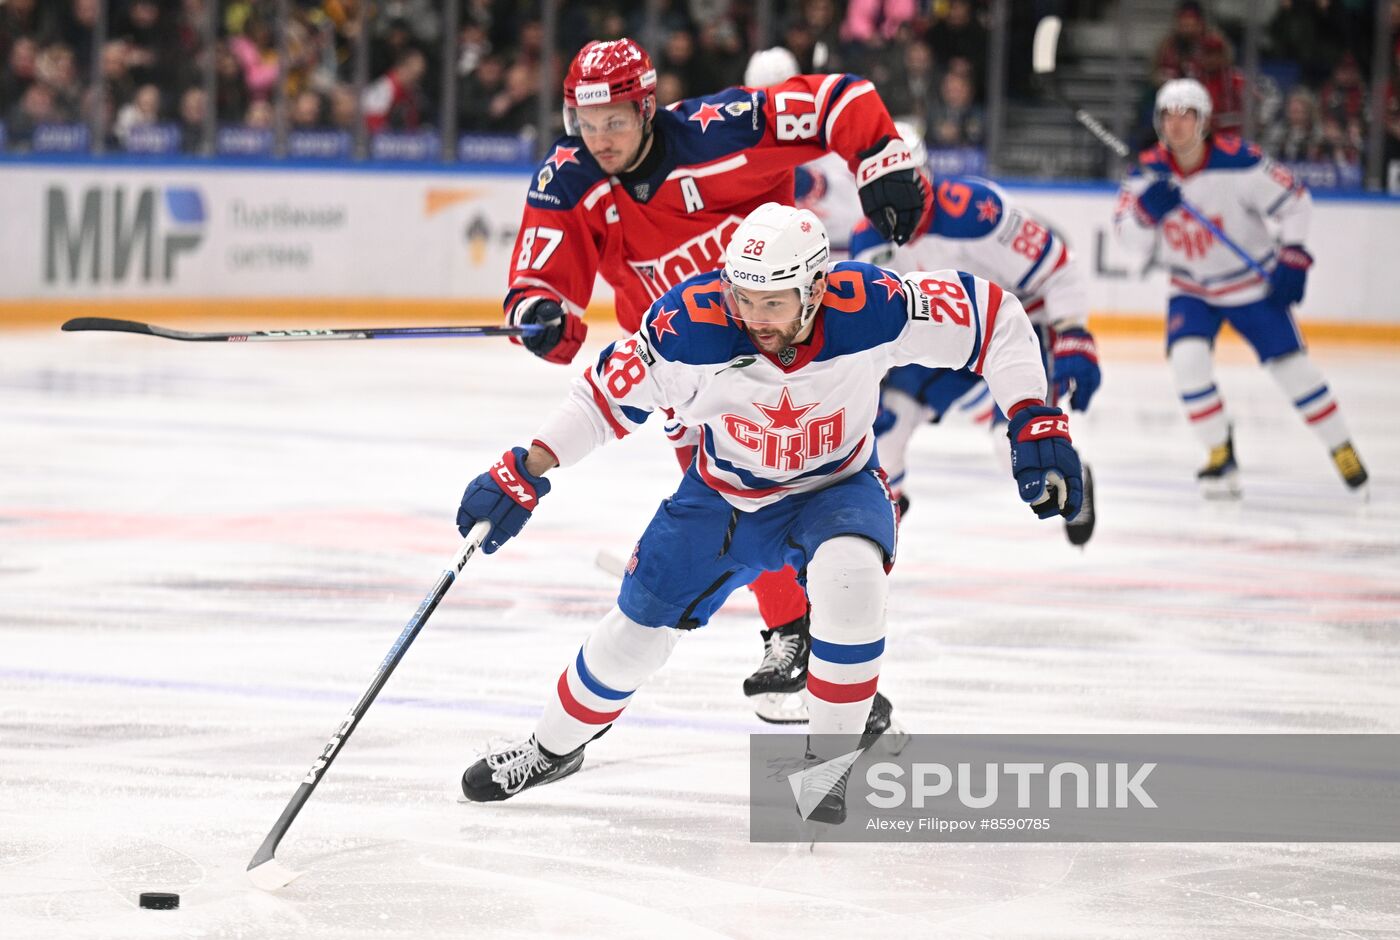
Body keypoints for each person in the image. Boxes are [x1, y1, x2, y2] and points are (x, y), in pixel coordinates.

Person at [456, 203, 1083, 822]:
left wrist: (1032, 413)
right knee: (633, 640)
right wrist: (525, 468)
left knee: (851, 579)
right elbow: (602, 399)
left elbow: (994, 317)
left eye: (774, 302)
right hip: (721, 501)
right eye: (744, 298)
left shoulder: (871, 306)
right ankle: (549, 750)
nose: (754, 317)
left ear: (816, 290)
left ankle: (828, 770)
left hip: (836, 489)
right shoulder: (689, 326)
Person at [504, 37, 931, 728]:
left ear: (647, 108)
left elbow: (838, 100)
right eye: (586, 123)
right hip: (683, 369)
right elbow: (540, 271)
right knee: (737, 496)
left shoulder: (719, 130)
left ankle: (819, 645)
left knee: (808, 493)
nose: (600, 138)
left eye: (615, 119)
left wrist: (879, 155)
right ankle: (794, 636)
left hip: (785, 343)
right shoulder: (570, 175)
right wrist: (539, 311)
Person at [1114, 78, 1368, 498]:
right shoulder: (1145, 172)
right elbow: (1127, 239)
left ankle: (1340, 445)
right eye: (1168, 116)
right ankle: (1219, 451)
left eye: (1187, 115)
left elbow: (1295, 200)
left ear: (1204, 120)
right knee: (1187, 364)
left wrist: (1295, 255)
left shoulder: (1240, 161)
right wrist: (1144, 213)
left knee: (1294, 372)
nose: (1176, 125)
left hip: (1252, 285)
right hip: (1191, 287)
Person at [847, 126, 1099, 546]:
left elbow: (1057, 266)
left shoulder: (977, 210)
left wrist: (1072, 333)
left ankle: (1074, 472)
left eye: (898, 183)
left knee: (1013, 450)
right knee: (880, 437)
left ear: (924, 176)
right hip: (936, 342)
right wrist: (868, 384)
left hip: (1009, 334)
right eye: (876, 187)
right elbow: (874, 326)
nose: (888, 201)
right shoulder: (866, 239)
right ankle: (872, 528)